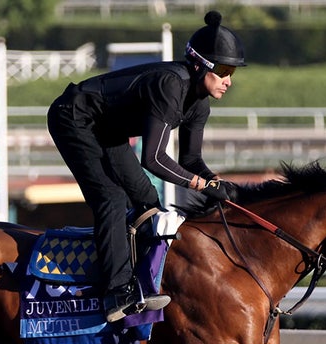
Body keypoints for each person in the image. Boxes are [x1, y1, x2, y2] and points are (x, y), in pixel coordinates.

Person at [47, 10, 245, 323]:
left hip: (106, 129)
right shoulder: (170, 86)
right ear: (199, 64)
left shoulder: (200, 105)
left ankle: (141, 280)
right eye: (223, 70)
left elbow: (190, 161)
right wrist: (200, 185)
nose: (228, 80)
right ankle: (115, 293)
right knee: (112, 197)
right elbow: (152, 159)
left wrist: (217, 183)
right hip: (73, 117)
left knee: (147, 201)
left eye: (232, 71)